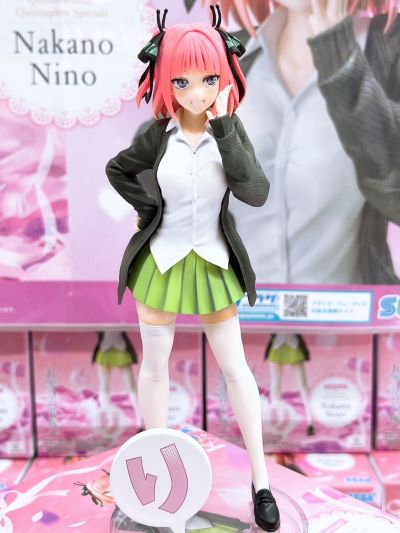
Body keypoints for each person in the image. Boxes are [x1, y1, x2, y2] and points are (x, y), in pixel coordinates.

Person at [106, 7, 280, 532]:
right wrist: (147, 207)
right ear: (165, 79)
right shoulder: (157, 135)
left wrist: (224, 126)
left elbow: (255, 192)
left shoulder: (230, 131)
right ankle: (154, 480)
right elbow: (118, 169)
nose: (196, 92)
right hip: (161, 264)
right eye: (182, 81)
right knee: (155, 367)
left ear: (225, 77)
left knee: (236, 370)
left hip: (213, 265)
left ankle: (262, 482)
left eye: (208, 79)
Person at [198, 0, 400, 285]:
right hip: (228, 306)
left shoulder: (389, 49)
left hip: (346, 307)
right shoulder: (221, 55)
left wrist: (341, 63)